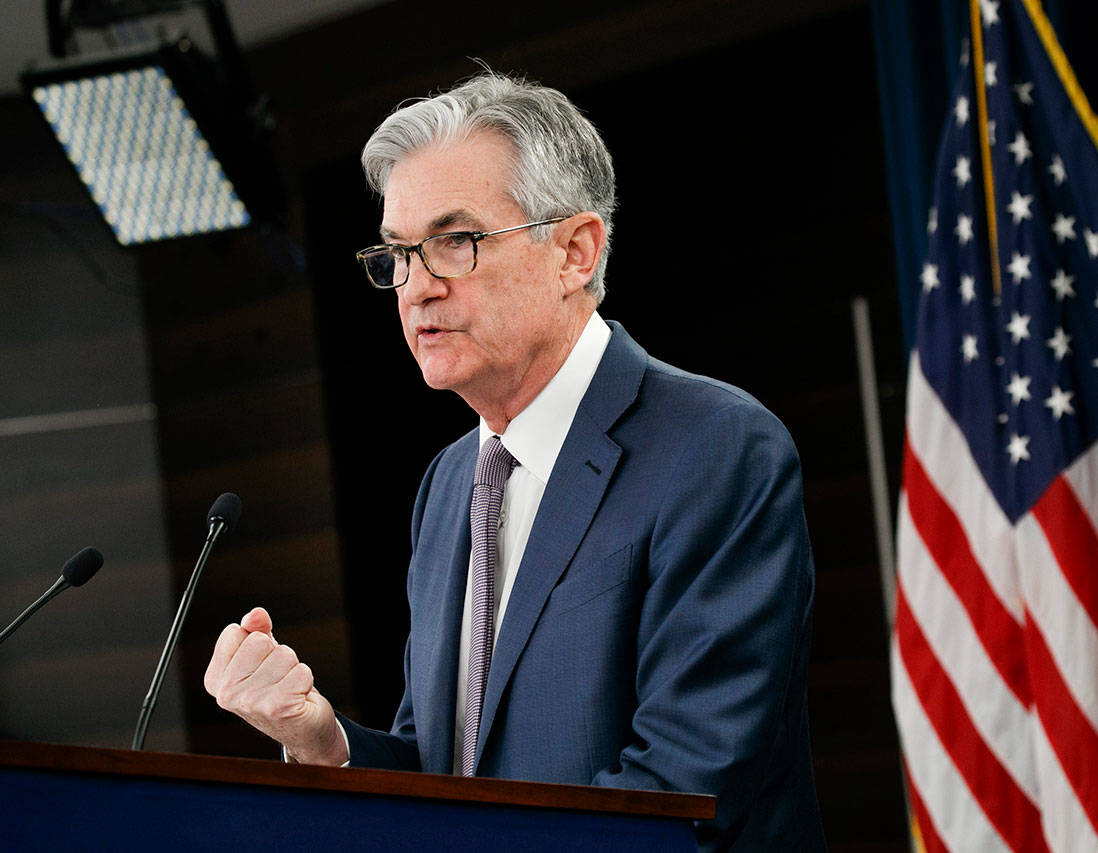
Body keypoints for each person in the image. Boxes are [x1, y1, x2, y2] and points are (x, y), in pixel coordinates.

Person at [203, 71, 824, 850]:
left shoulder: (717, 448)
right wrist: (323, 740)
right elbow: (444, 773)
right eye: (398, 253)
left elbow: (681, 795)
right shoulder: (447, 484)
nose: (415, 289)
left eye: (454, 242)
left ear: (574, 251)